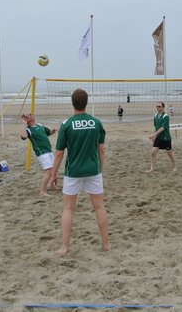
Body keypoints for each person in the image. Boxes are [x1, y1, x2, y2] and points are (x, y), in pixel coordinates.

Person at [52, 89, 108, 256]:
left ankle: (65, 247)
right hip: (93, 170)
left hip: (73, 171)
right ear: (86, 102)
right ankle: (106, 244)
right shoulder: (96, 123)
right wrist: (101, 168)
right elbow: (101, 149)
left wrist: (54, 174)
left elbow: (59, 153)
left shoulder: (67, 124)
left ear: (72, 103)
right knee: (99, 207)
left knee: (69, 208)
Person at [20, 113, 58, 196]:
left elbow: (48, 133)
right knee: (49, 171)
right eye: (29, 115)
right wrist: (24, 125)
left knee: (53, 169)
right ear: (27, 119)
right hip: (42, 152)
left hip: (49, 150)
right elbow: (23, 137)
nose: (32, 114)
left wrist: (53, 131)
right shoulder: (28, 130)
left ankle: (52, 185)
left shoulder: (40, 125)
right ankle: (42, 191)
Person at [148, 101, 177, 172]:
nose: (157, 108)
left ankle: (175, 166)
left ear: (163, 107)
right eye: (157, 106)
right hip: (158, 137)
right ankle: (152, 168)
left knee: (169, 153)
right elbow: (156, 127)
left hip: (165, 138)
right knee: (153, 152)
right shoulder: (155, 115)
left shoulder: (166, 116)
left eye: (159, 106)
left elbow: (163, 128)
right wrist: (154, 136)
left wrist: (154, 134)